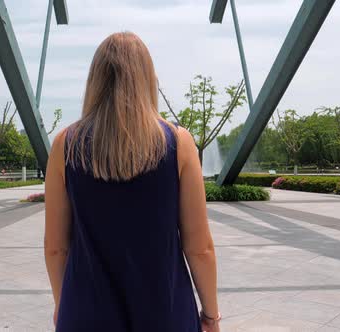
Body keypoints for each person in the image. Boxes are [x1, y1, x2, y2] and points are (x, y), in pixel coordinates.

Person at [44, 32, 220, 332]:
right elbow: (199, 248)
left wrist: (64, 304)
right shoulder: (179, 144)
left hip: (86, 316)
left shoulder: (65, 145)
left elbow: (55, 248)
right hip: (166, 312)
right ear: (148, 78)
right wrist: (211, 316)